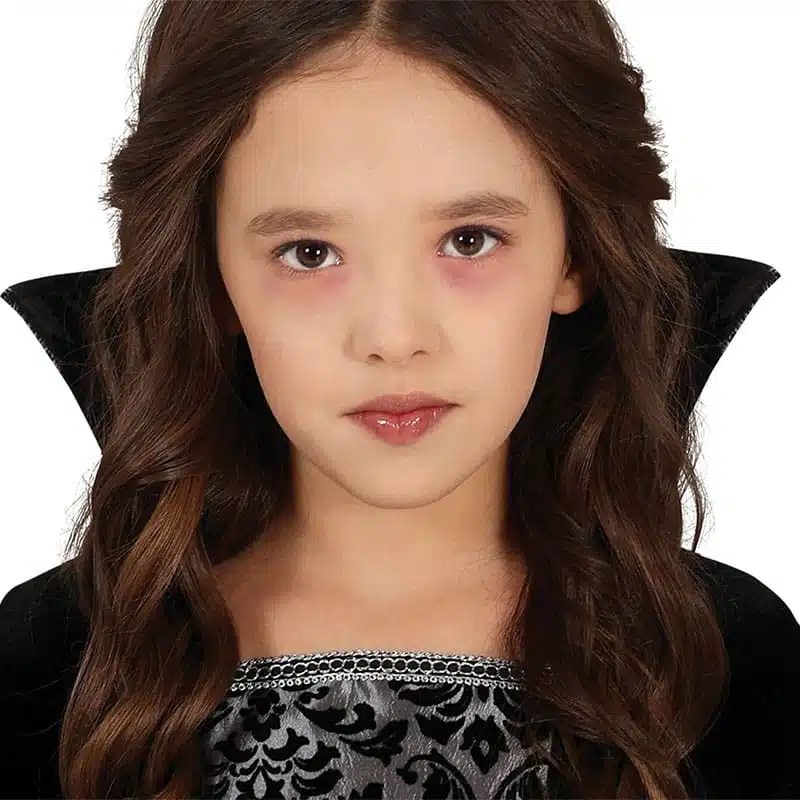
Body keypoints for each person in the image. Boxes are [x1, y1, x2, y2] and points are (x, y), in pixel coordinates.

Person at [1, 1, 798, 798]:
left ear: (576, 253)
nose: (393, 337)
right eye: (309, 253)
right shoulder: (59, 667)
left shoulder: (717, 660)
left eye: (469, 239)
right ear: (211, 279)